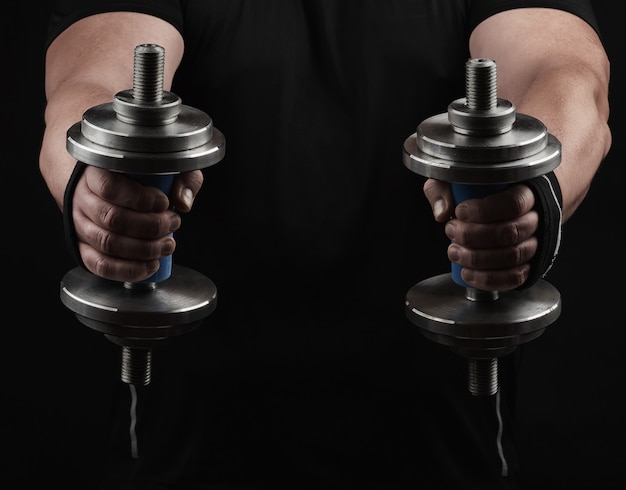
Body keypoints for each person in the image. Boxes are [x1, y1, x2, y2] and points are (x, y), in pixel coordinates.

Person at [39, 1, 611, 488]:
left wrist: (537, 192)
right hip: (191, 411)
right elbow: (86, 79)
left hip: (439, 406)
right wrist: (92, 186)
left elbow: (566, 74)